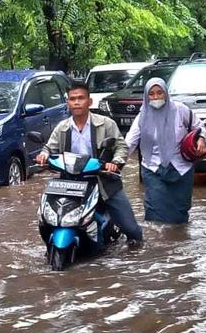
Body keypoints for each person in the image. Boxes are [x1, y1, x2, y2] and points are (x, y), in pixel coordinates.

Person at [35, 80, 143, 250]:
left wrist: (115, 163)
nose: (76, 102)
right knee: (47, 219)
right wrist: (44, 155)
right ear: (67, 102)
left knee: (132, 231)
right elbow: (49, 147)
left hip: (104, 182)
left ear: (89, 101)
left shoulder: (106, 123)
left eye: (80, 98)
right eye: (72, 99)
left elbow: (121, 147)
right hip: (70, 183)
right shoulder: (62, 127)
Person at [125, 77, 206, 224]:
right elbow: (130, 142)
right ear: (146, 96)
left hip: (181, 168)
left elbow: (199, 127)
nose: (156, 97)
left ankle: (178, 241)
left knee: (180, 211)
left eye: (159, 93)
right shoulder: (142, 117)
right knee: (154, 210)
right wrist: (116, 162)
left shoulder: (181, 110)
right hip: (153, 168)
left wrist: (201, 139)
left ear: (166, 93)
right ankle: (157, 243)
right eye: (151, 94)